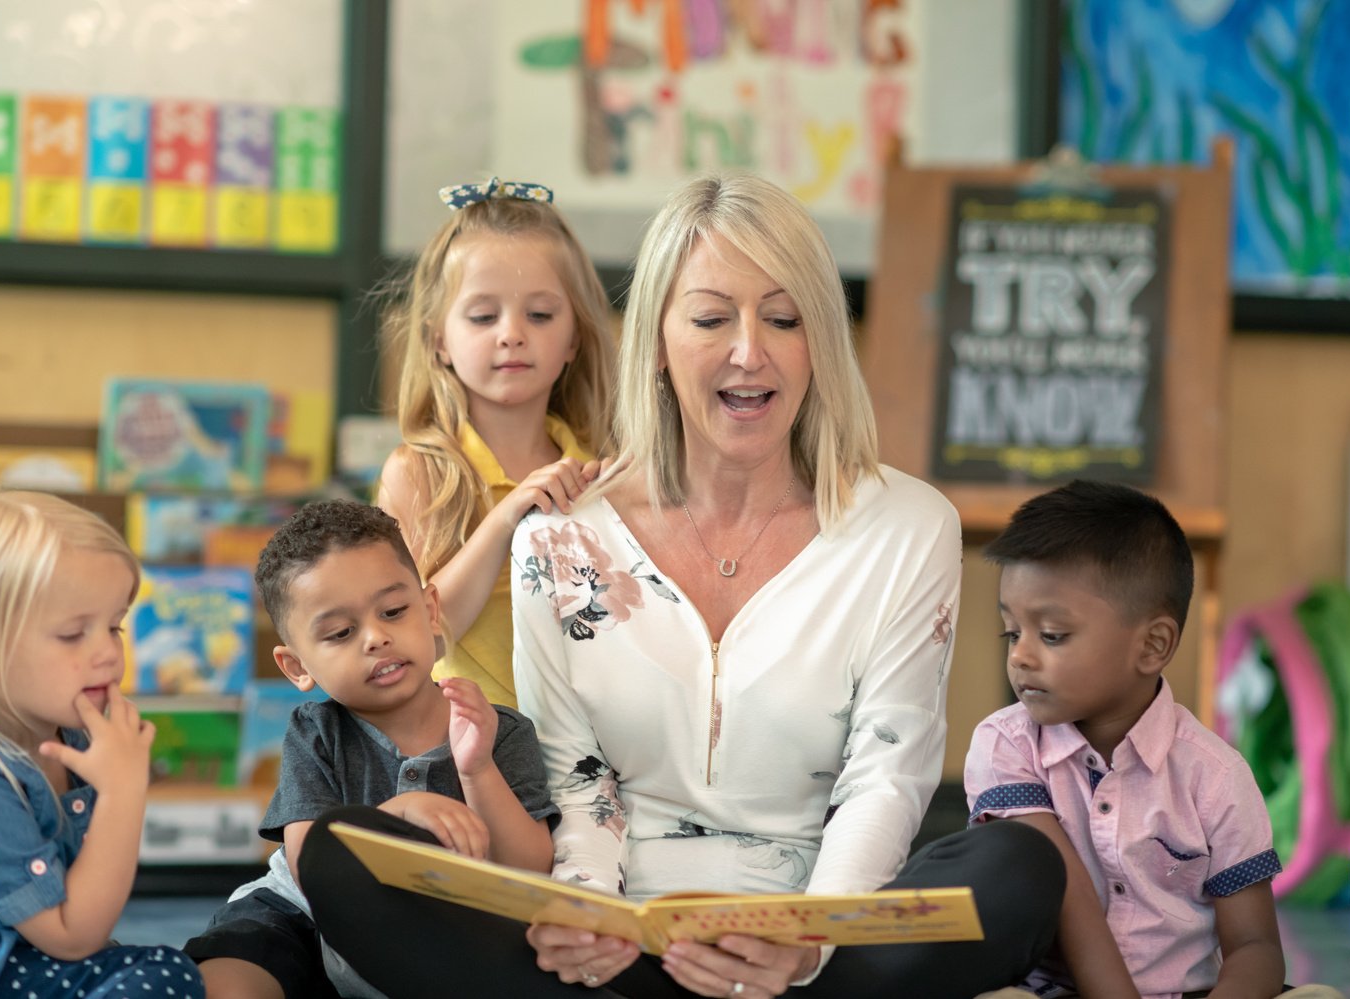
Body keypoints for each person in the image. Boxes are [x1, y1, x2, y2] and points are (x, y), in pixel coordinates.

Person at [298, 173, 1066, 998]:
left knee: (1016, 863)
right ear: (657, 341)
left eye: (784, 317)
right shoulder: (558, 533)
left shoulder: (910, 526)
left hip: (818, 938)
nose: (750, 351)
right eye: (710, 318)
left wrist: (804, 942)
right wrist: (587, 914)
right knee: (346, 854)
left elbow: (887, 772)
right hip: (617, 940)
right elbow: (573, 775)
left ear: (822, 342)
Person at [964, 480, 1350, 999]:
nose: (1021, 656)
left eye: (1052, 635)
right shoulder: (1006, 745)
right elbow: (1065, 893)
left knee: (1320, 998)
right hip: (1051, 992)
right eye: (1012, 632)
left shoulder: (1214, 774)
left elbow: (1254, 945)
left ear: (1153, 646)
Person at [182, 499, 557, 998]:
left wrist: (478, 770)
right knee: (224, 981)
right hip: (303, 913)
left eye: (394, 612)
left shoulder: (498, 730)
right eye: (341, 633)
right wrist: (394, 816)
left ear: (430, 611)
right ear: (297, 667)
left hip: (442, 929)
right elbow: (307, 862)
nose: (377, 637)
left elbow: (531, 871)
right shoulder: (316, 730)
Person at [0, 487, 205, 998]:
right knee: (167, 977)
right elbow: (72, 937)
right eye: (73, 635)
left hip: (34, 955)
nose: (109, 654)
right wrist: (122, 793)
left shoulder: (66, 731)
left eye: (114, 627)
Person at [376, 176, 616, 709]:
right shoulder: (418, 473)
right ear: (438, 339)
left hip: (582, 757)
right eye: (483, 316)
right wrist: (507, 516)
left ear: (575, 337)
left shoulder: (605, 476)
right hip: (458, 755)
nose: (512, 333)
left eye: (540, 314)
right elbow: (417, 637)